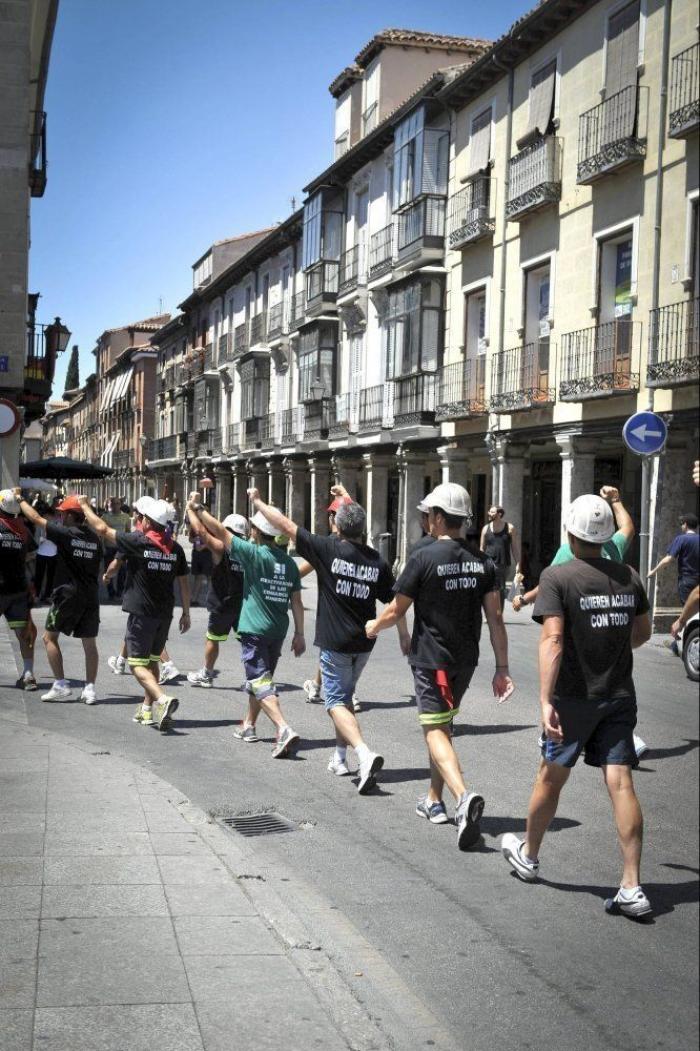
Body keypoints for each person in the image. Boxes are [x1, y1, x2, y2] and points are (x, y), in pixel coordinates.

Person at [501, 494, 653, 918]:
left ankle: (529, 857)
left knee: (550, 777)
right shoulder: (629, 576)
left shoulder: (557, 577)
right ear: (606, 538)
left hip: (573, 697)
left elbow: (552, 639)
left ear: (570, 532)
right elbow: (640, 634)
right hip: (619, 695)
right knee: (621, 783)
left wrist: (546, 699)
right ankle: (632, 885)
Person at [366, 483, 514, 845]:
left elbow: (397, 608)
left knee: (433, 730)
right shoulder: (484, 563)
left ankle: (462, 798)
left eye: (428, 514)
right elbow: (496, 619)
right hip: (466, 660)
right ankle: (434, 800)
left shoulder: (423, 556)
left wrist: (374, 626)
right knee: (442, 728)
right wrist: (502, 668)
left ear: (436, 517)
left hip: (433, 660)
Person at [251, 488, 408, 793]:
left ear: (337, 526)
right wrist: (403, 633)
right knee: (345, 698)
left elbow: (285, 525)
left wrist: (257, 502)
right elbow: (395, 603)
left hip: (336, 643)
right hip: (364, 643)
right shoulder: (377, 561)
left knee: (334, 701)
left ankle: (363, 753)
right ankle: (339, 757)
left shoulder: (327, 549)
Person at [188, 492, 304, 757]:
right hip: (279, 630)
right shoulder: (289, 563)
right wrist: (299, 633)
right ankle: (248, 726)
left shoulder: (253, 554)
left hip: (254, 629)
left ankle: (283, 727)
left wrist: (198, 507)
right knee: (262, 681)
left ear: (257, 531)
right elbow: (297, 602)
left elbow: (218, 531)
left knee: (260, 681)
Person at [78, 495, 190, 729]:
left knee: (136, 665)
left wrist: (85, 506)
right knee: (151, 662)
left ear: (148, 521)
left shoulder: (139, 542)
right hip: (165, 614)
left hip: (142, 614)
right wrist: (186, 612)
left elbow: (101, 528)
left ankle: (162, 699)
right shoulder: (176, 548)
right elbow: (183, 583)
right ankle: (147, 710)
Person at [16, 492, 102, 704]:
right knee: (89, 643)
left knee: (49, 638)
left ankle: (60, 684)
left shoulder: (65, 533)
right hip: (90, 596)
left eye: (63, 514)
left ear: (72, 516)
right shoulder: (94, 539)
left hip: (66, 594)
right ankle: (90, 689)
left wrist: (19, 500)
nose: (60, 517)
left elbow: (35, 519)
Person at [302, 489, 358, 708]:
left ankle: (344, 692)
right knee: (335, 652)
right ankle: (319, 686)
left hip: (333, 611)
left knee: (333, 650)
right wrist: (344, 493)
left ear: (333, 518)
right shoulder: (355, 542)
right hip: (356, 608)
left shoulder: (327, 546)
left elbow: (302, 570)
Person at [186, 510, 248, 687]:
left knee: (213, 638)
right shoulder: (250, 550)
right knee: (247, 642)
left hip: (222, 602)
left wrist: (192, 510)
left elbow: (202, 533)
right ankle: (254, 677)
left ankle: (207, 673)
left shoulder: (222, 548)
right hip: (244, 603)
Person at [0, 489, 38, 691]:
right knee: (24, 634)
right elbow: (32, 554)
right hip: (18, 588)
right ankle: (29, 674)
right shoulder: (22, 528)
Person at [648, 513, 699, 604]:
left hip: (686, 580)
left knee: (688, 609)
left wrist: (654, 571)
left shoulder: (681, 539)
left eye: (682, 524)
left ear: (686, 525)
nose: (681, 526)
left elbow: (668, 559)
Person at [480, 505, 521, 608]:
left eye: (492, 512)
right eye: (489, 511)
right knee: (488, 588)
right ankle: (489, 611)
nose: (489, 514)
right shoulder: (485, 529)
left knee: (500, 589)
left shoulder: (510, 528)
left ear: (499, 514)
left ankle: (499, 612)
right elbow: (481, 548)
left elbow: (515, 548)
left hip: (503, 564)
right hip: (488, 563)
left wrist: (518, 564)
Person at [101, 496, 131, 599]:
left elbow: (128, 532)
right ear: (109, 505)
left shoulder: (126, 517)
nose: (115, 506)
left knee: (122, 570)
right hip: (109, 547)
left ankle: (119, 591)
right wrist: (102, 547)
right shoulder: (105, 517)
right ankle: (111, 592)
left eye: (117, 503)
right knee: (108, 570)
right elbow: (101, 533)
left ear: (120, 505)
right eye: (113, 504)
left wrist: (128, 547)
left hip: (121, 548)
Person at [33, 504, 58, 601]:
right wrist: (42, 539)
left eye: (48, 516)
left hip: (53, 553)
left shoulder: (57, 525)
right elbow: (35, 539)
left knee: (51, 576)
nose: (46, 518)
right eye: (45, 516)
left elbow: (59, 539)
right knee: (39, 575)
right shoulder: (39, 525)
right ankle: (36, 595)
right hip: (41, 553)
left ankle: (48, 595)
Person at [190, 525, 213, 606]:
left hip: (207, 554)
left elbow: (214, 540)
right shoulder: (194, 526)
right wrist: (195, 540)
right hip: (196, 554)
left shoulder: (210, 527)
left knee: (210, 577)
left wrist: (203, 546)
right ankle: (194, 599)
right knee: (198, 577)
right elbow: (190, 539)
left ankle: (211, 599)